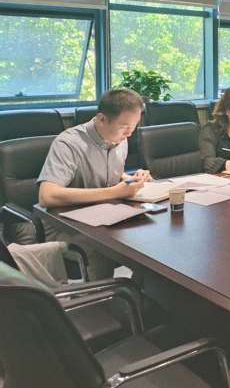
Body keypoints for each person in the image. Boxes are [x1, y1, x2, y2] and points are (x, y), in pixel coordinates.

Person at [38, 88, 151, 280]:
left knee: (150, 237)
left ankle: (141, 296)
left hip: (103, 217)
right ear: (102, 119)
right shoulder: (69, 143)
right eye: (125, 125)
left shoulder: (120, 139)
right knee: (102, 249)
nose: (130, 133)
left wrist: (129, 179)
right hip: (65, 225)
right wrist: (115, 192)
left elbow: (109, 173)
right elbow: (47, 196)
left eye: (134, 125)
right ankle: (100, 302)